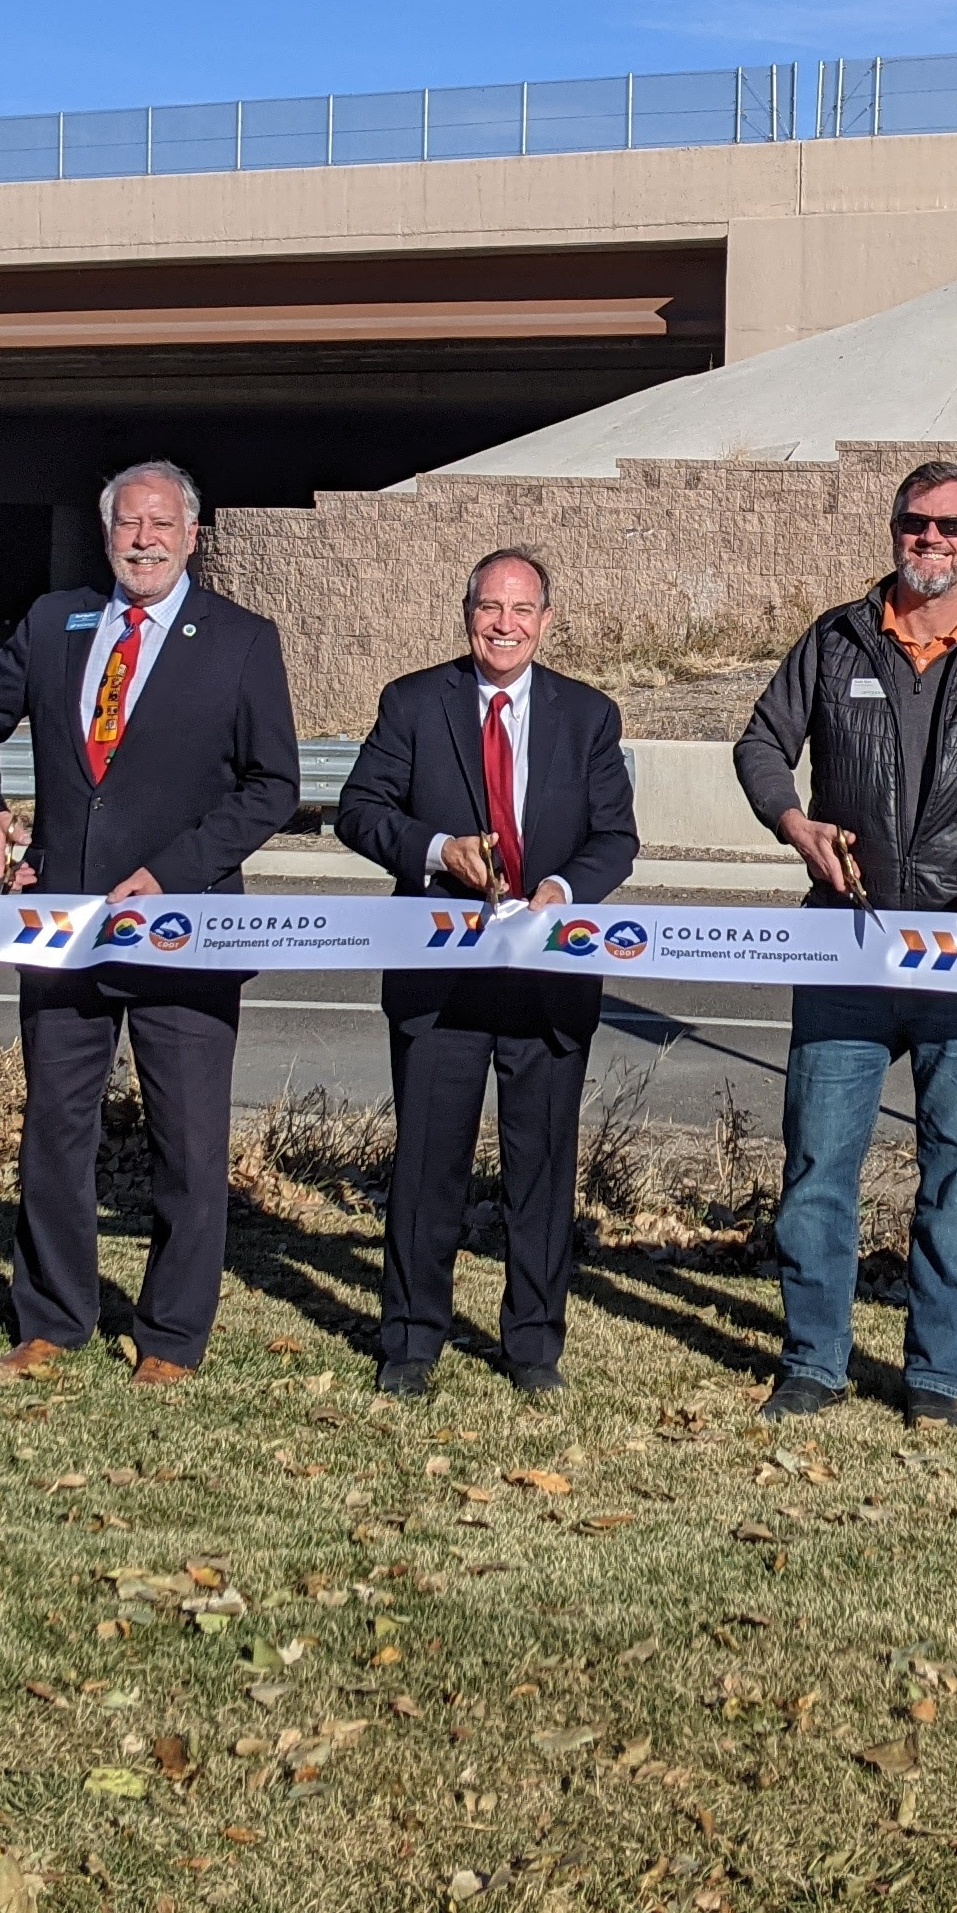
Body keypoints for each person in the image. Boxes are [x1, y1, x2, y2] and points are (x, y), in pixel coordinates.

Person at [733, 461, 957, 1427]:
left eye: (949, 525)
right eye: (913, 523)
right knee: (817, 1165)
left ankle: (935, 1379)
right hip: (848, 949)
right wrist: (793, 822)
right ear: (895, 531)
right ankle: (813, 1361)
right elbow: (760, 744)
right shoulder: (835, 637)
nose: (929, 539)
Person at [0, 462, 299, 1387]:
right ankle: (52, 1321)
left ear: (192, 535)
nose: (143, 538)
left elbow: (274, 788)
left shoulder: (243, 640)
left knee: (187, 1142)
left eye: (160, 523)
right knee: (56, 1133)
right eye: (127, 524)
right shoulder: (54, 622)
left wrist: (169, 874)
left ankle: (171, 1337)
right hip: (64, 928)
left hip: (185, 930)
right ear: (107, 536)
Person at [334, 547, 642, 1399]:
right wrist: (437, 852)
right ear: (466, 613)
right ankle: (411, 1342)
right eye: (488, 609)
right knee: (428, 1168)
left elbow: (616, 837)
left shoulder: (588, 716)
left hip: (547, 980)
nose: (504, 625)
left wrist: (562, 889)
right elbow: (359, 812)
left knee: (541, 1169)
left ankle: (534, 1347)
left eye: (522, 610)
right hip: (441, 981)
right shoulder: (413, 703)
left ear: (547, 621)